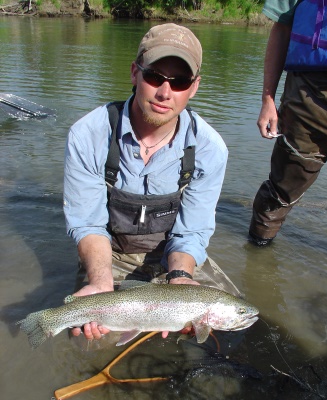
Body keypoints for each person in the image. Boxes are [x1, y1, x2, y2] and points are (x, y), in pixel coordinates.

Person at [63, 23, 240, 341]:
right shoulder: (88, 135)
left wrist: (182, 277)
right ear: (134, 73)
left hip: (170, 256)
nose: (164, 92)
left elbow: (192, 233)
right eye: (155, 76)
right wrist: (101, 282)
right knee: (91, 340)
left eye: (180, 81)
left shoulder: (210, 149)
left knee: (230, 325)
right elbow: (88, 224)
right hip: (109, 253)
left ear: (194, 87)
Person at [249, 0, 327, 246]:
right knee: (281, 191)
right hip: (310, 93)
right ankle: (256, 255)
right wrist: (268, 99)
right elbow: (282, 27)